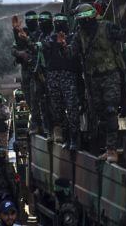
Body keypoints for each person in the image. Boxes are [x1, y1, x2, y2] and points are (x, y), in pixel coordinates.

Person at [59, 3, 126, 162]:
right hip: (93, 80)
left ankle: (112, 150)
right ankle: (109, 149)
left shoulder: (107, 28)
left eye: (82, 20)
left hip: (110, 76)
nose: (81, 24)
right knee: (101, 115)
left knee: (110, 111)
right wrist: (62, 46)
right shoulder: (79, 35)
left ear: (90, 18)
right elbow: (70, 54)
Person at [45, 13, 82, 149]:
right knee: (58, 110)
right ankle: (67, 136)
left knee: (72, 109)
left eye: (62, 23)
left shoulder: (73, 38)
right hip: (53, 79)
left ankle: (74, 139)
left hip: (69, 77)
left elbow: (73, 54)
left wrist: (64, 45)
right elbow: (38, 47)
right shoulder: (49, 39)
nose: (59, 26)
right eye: (57, 23)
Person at [28, 11, 54, 135]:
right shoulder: (39, 35)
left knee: (53, 103)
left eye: (44, 21)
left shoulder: (52, 35)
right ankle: (46, 127)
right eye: (40, 21)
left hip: (53, 74)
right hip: (40, 73)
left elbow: (43, 45)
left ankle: (55, 129)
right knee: (40, 102)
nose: (41, 24)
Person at [11, 11, 40, 107]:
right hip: (26, 69)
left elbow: (37, 47)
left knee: (39, 98)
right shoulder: (23, 32)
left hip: (39, 70)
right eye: (29, 20)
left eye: (33, 20)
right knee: (29, 98)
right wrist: (16, 31)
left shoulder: (41, 33)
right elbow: (14, 49)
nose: (31, 23)